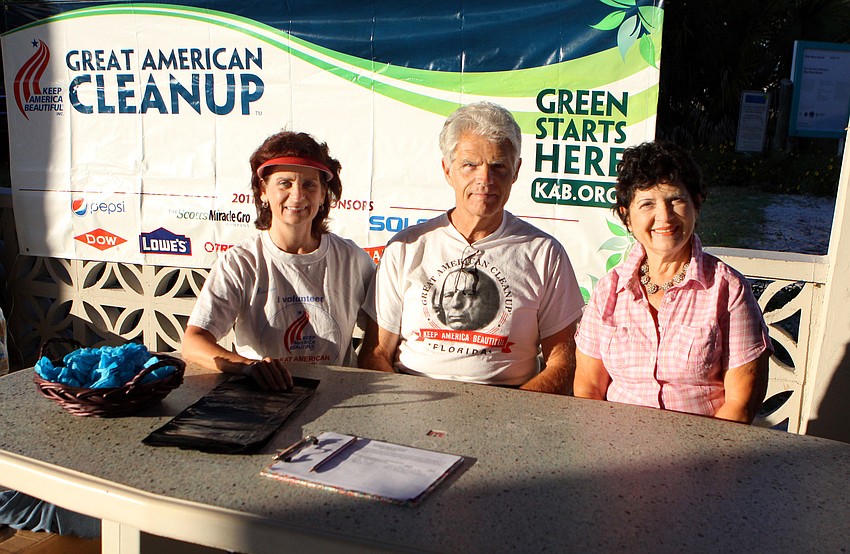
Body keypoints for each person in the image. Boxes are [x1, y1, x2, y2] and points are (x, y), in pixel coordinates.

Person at [358, 102, 584, 393]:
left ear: (516, 171)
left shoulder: (544, 253)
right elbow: (375, 353)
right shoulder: (406, 247)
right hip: (412, 400)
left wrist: (512, 418)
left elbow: (562, 362)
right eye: (470, 165)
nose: (485, 180)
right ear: (447, 170)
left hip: (510, 407)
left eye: (498, 166)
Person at [573, 141, 771, 423]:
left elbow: (741, 403)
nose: (664, 217)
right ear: (626, 217)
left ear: (697, 204)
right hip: (615, 449)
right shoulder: (609, 290)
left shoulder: (727, 289)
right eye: (647, 204)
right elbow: (588, 388)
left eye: (676, 200)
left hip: (701, 454)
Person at [182, 131, 375, 389]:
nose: (297, 196)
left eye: (309, 185)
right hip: (262, 400)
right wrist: (248, 367)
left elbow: (381, 335)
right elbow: (194, 341)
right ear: (263, 191)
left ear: (322, 195)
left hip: (335, 396)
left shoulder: (352, 259)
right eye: (285, 183)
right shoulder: (240, 262)